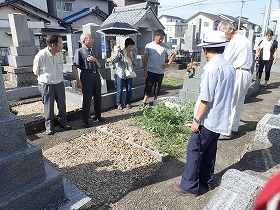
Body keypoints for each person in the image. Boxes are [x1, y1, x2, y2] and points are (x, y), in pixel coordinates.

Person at [172, 30, 235, 196]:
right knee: (209, 150)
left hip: (207, 120)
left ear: (206, 49)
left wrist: (196, 119)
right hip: (220, 119)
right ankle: (207, 181)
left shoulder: (211, 69)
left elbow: (206, 99)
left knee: (194, 150)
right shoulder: (229, 67)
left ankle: (189, 186)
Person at [218, 20, 253, 139]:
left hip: (239, 72)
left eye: (223, 31)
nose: (222, 35)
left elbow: (226, 60)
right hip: (247, 73)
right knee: (238, 102)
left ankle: (225, 131)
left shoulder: (235, 41)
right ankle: (234, 127)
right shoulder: (245, 39)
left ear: (231, 29)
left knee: (230, 101)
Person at [33, 33, 71, 135]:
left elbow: (60, 68)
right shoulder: (41, 55)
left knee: (62, 105)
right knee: (49, 107)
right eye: (60, 43)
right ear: (53, 45)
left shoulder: (59, 54)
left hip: (59, 82)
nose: (62, 45)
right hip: (46, 84)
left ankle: (63, 123)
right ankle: (49, 127)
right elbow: (35, 71)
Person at [73, 33, 104, 128]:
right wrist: (78, 80)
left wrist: (95, 60)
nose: (92, 40)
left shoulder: (92, 51)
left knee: (98, 97)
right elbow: (75, 67)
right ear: (83, 41)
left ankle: (98, 115)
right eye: (90, 38)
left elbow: (99, 66)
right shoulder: (79, 51)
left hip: (96, 75)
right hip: (86, 76)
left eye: (92, 38)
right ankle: (85, 120)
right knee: (87, 99)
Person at [142, 29, 176, 105]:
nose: (161, 40)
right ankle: (144, 101)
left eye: (162, 38)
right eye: (160, 38)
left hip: (160, 71)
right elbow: (145, 58)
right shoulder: (149, 46)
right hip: (150, 70)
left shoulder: (165, 46)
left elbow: (173, 55)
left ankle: (155, 101)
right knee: (148, 86)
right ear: (155, 36)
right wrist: (145, 70)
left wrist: (168, 64)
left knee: (157, 87)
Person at [111, 38, 138, 110]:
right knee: (119, 90)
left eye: (132, 47)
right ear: (126, 46)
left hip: (129, 74)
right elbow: (114, 61)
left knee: (129, 89)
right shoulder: (121, 53)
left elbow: (136, 63)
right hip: (121, 73)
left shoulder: (133, 54)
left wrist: (131, 58)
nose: (131, 48)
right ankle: (119, 103)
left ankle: (128, 103)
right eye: (130, 47)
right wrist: (117, 52)